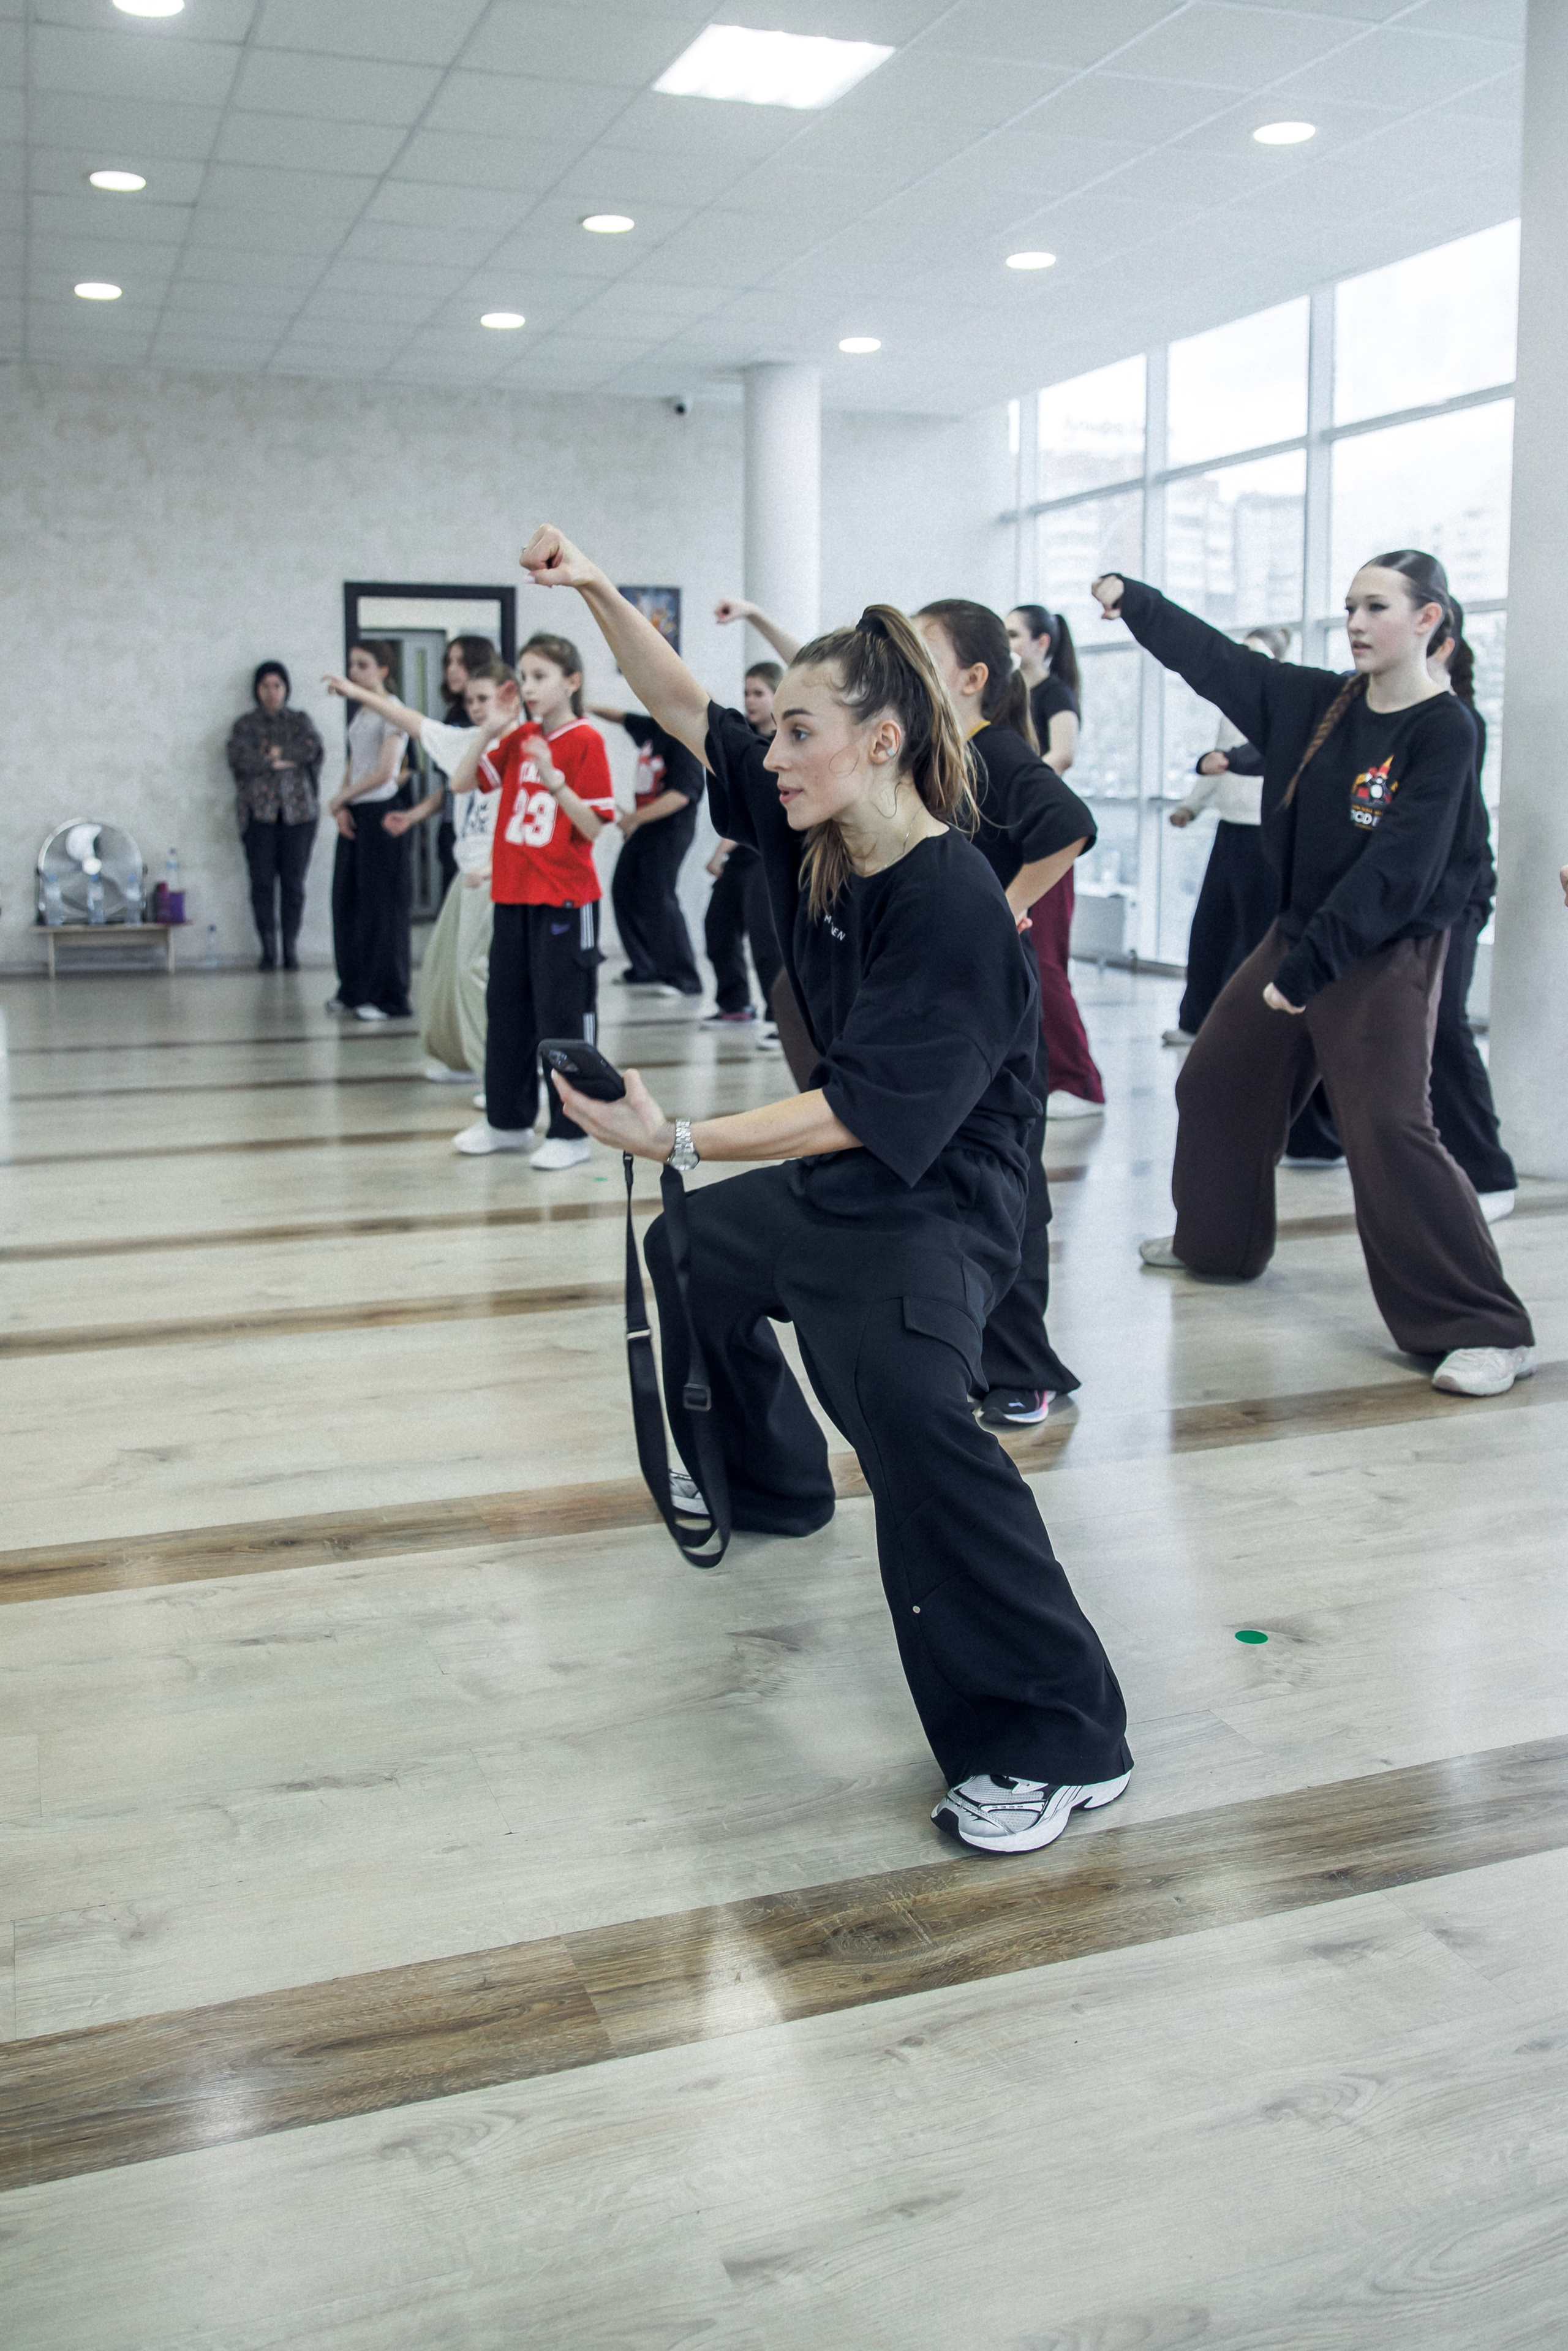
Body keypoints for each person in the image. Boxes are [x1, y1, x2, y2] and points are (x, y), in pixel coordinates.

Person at [522, 521, 1133, 1857]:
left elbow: (862, 1109)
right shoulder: (818, 837)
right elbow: (684, 704)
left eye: (795, 729)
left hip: (939, 1202)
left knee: (914, 1420)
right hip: (840, 1179)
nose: (767, 750)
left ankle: (1059, 1735)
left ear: (880, 740)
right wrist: (600, 591)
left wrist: (676, 1134)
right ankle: (773, 1485)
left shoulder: (952, 896)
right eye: (772, 730)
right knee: (688, 1260)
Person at [1095, 551, 1534, 1398]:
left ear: (1429, 620)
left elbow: (1400, 870)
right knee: (1220, 1078)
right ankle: (1216, 1246)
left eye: (1377, 607)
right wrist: (1135, 602)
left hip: (1388, 946)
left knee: (1388, 1128)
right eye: (1350, 608)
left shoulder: (1445, 730)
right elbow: (1220, 662)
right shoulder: (1322, 703)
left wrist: (1309, 971)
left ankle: (1485, 1327)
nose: (1358, 623)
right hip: (1302, 936)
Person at [916, 598, 1095, 1428]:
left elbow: (1068, 824)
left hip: (1000, 1008)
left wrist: (1006, 908)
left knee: (1010, 1184)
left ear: (972, 677)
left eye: (923, 652)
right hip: (952, 1004)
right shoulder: (936, 756)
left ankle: (1026, 1368)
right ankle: (969, 1351)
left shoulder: (997, 749)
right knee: (959, 1180)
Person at [453, 631, 615, 1171]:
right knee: (507, 1012)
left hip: (566, 901)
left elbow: (593, 827)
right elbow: (461, 782)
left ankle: (573, 1131)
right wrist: (491, 729)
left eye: (540, 676)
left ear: (571, 682)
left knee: (563, 1017)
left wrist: (555, 781)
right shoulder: (520, 736)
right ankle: (506, 1121)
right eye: (523, 677)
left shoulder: (586, 741)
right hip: (513, 897)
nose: (529, 687)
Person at [324, 657, 521, 1084]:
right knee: (441, 963)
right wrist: (359, 693)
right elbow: (413, 722)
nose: (475, 707)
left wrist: (493, 864)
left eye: (484, 698)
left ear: (510, 697)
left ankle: (497, 1073)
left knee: (474, 970)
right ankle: (461, 1059)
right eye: (470, 700)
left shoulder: (525, 746)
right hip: (467, 869)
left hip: (495, 872)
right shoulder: (470, 741)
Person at [1422, 607, 1516, 1219]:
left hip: (1456, 895)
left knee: (1447, 1026)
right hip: (1415, 896)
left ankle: (1487, 1174)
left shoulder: (1458, 721)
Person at [1163, 627, 1289, 1048]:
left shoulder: (1283, 707)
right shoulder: (1230, 710)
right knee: (1209, 927)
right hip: (1229, 830)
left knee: (1257, 936)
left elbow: (1254, 761)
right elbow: (1216, 769)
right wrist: (1190, 807)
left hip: (1264, 835)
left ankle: (1255, 1029)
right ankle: (1195, 1020)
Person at [1005, 605, 1104, 1120]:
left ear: (1043, 642)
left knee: (1045, 964)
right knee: (1020, 963)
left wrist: (1014, 787)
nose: (1007, 643)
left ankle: (1081, 1082)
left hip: (1046, 839)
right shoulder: (1006, 695)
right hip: (1011, 839)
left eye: (1014, 634)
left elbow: (1064, 752)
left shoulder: (1055, 693)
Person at [589, 703, 704, 998]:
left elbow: (680, 796)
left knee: (659, 896)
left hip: (671, 831)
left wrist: (634, 819)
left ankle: (684, 977)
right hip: (646, 828)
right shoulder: (654, 727)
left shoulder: (684, 741)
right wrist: (583, 705)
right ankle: (646, 967)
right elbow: (618, 715)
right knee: (624, 890)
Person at [325, 640, 413, 1022]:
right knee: (347, 903)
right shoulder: (362, 714)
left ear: (382, 670)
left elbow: (385, 771)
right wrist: (342, 804)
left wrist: (344, 796)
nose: (354, 671)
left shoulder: (393, 711)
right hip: (357, 812)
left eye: (363, 665)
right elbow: (354, 761)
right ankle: (354, 988)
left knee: (382, 908)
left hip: (381, 813)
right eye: (351, 664)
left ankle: (390, 997)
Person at [701, 657, 786, 1029]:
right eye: (746, 693)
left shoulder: (782, 746)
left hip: (764, 859)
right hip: (740, 857)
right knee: (717, 926)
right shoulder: (744, 743)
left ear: (776, 696)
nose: (750, 701)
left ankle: (779, 1019)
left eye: (759, 693)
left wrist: (720, 851)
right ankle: (735, 1004)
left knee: (765, 939)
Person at [225, 662, 324, 971]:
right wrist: (279, 759)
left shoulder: (299, 721)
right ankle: (268, 949)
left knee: (294, 884)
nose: (272, 693)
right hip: (260, 816)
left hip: (299, 815)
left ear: (286, 689)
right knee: (262, 884)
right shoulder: (245, 725)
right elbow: (240, 757)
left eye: (277, 686)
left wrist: (270, 756)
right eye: (266, 686)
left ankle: (290, 948)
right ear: (257, 690)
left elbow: (311, 749)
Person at [435, 635, 499, 889]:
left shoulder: (487, 720)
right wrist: (413, 816)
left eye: (460, 662)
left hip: (481, 832)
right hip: (454, 824)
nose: (452, 669)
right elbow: (453, 784)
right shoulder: (454, 715)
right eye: (449, 661)